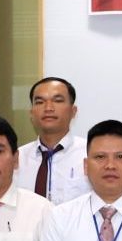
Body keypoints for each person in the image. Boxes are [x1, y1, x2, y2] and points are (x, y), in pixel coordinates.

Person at [21, 76, 89, 204]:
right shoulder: (16, 159)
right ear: (31, 113)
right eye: (40, 102)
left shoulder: (90, 155)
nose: (48, 108)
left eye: (57, 100)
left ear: (73, 111)